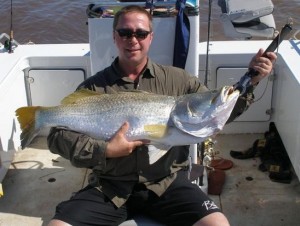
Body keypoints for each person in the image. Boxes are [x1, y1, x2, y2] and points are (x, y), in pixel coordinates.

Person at [47, 5, 276, 226]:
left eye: (141, 33)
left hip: (167, 183)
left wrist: (251, 81)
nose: (133, 39)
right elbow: (56, 137)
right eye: (125, 33)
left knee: (218, 224)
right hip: (110, 187)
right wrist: (105, 150)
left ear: (151, 37)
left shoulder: (180, 81)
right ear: (115, 37)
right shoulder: (94, 87)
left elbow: (217, 112)